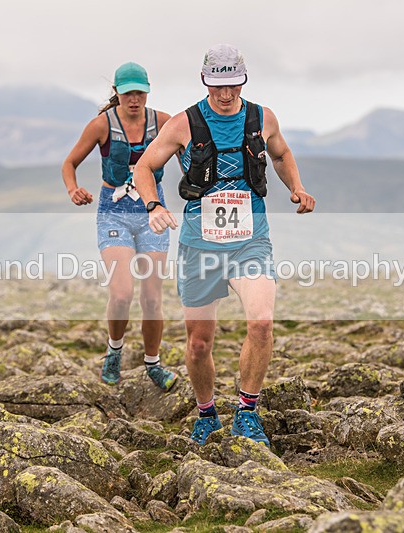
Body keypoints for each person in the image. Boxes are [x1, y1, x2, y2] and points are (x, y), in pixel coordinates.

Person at [133, 44, 315, 446]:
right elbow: (145, 166)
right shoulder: (183, 124)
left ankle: (247, 413)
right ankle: (206, 414)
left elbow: (281, 154)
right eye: (219, 86)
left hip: (251, 240)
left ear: (243, 81)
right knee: (199, 344)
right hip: (200, 245)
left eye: (234, 84)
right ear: (205, 82)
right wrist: (153, 205)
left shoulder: (262, 118)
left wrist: (297, 186)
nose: (227, 93)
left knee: (261, 322)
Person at [62, 62, 177, 391]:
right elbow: (70, 163)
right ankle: (114, 352)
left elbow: (190, 157)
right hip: (114, 214)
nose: (134, 99)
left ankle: (153, 364)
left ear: (148, 91)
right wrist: (73, 189)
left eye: (140, 93)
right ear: (117, 93)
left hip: (152, 213)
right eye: (128, 93)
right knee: (123, 293)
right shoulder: (102, 125)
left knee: (152, 298)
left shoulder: (164, 123)